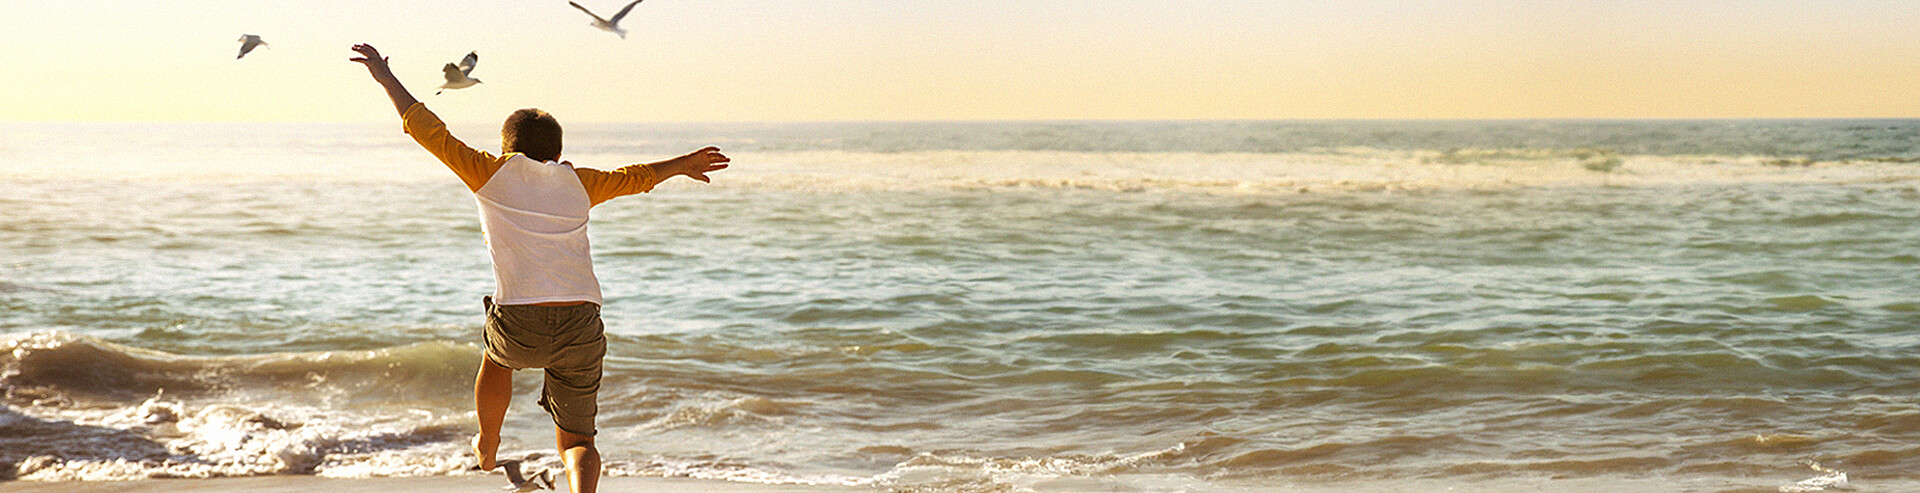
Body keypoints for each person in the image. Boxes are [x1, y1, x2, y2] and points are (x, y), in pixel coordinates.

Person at [349, 43, 730, 493]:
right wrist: (683, 164)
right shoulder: (580, 181)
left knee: (496, 359)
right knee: (578, 440)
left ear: (508, 148)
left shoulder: (489, 172)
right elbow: (637, 175)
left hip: (519, 320)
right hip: (580, 318)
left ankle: (487, 446)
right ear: (557, 151)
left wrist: (386, 78)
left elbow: (428, 129)